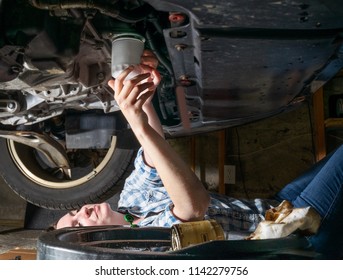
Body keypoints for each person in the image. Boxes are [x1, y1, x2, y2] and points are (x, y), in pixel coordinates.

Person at [56, 50, 343, 258]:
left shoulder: (131, 202)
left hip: (279, 207)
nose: (83, 212)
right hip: (300, 236)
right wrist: (137, 125)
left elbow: (153, 152)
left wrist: (139, 90)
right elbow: (193, 208)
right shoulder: (148, 251)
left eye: (74, 212)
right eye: (79, 226)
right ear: (95, 248)